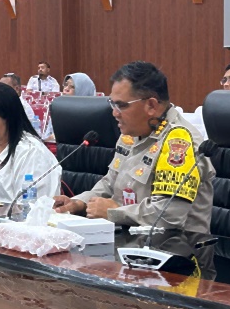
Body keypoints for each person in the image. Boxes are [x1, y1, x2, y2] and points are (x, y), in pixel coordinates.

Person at [54, 61, 215, 234]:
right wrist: (80, 203)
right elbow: (110, 183)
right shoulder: (130, 134)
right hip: (129, 242)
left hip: (176, 250)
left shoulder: (179, 141)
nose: (114, 113)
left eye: (121, 105)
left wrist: (114, 213)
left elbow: (169, 214)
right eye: (112, 104)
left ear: (151, 105)